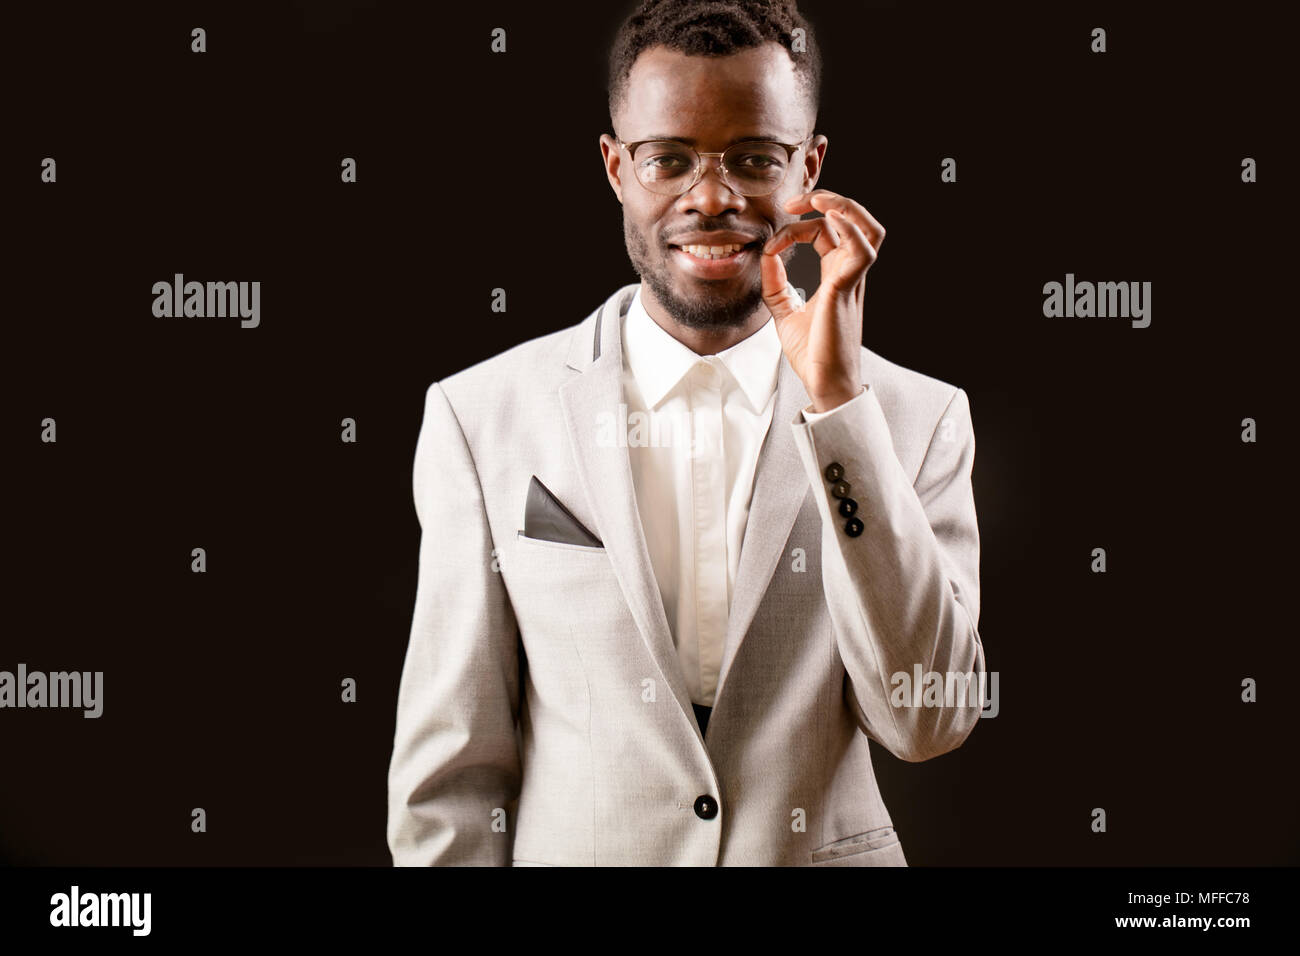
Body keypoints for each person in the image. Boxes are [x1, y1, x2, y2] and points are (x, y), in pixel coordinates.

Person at [387, 0, 985, 866]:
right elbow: (450, 775)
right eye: (669, 160)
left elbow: (925, 720)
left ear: (809, 167)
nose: (712, 198)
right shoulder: (481, 416)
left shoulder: (917, 420)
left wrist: (839, 414)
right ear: (615, 168)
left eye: (756, 159)